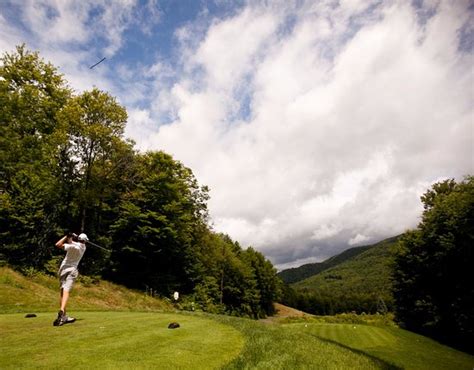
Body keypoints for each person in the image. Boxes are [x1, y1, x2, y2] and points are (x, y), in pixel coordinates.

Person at [53, 232, 88, 326]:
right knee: (66, 291)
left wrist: (67, 236)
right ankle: (62, 311)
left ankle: (63, 315)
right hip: (72, 270)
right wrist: (70, 237)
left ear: (78, 239)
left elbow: (58, 244)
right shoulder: (82, 247)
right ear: (85, 241)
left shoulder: (72, 246)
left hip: (63, 269)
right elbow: (72, 242)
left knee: (62, 292)